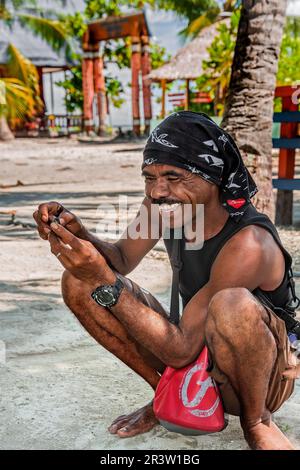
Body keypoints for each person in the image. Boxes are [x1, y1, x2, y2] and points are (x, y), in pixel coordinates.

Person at [33, 112, 299, 450]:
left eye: (173, 176)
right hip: (195, 346)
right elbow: (122, 259)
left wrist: (103, 278)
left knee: (230, 305)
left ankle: (257, 422)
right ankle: (165, 397)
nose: (158, 191)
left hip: (259, 375)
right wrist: (78, 233)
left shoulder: (249, 242)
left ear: (213, 177)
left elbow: (181, 349)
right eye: (150, 177)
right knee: (79, 283)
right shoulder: (166, 206)